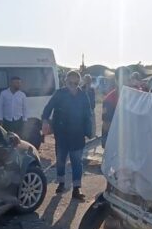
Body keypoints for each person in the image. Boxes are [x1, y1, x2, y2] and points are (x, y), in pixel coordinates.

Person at [41, 71, 92, 201]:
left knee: (77, 162)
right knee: (61, 161)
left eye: (76, 83)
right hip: (62, 134)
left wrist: (88, 131)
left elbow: (88, 114)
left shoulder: (82, 95)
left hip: (77, 135)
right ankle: (61, 183)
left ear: (79, 83)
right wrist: (45, 120)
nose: (73, 85)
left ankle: (76, 188)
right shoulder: (59, 93)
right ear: (65, 82)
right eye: (70, 83)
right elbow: (48, 108)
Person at [100, 77, 119, 148]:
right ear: (117, 81)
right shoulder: (109, 99)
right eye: (123, 79)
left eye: (128, 80)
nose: (127, 83)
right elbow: (106, 123)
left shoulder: (130, 96)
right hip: (114, 140)